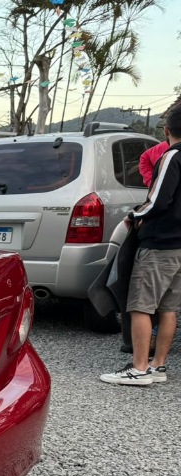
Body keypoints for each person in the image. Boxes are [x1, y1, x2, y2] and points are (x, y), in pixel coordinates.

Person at [101, 107, 181, 386]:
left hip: (160, 243)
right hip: (179, 246)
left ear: (166, 131)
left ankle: (138, 368)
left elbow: (159, 198)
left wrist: (135, 215)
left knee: (141, 306)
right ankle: (158, 366)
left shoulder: (172, 156)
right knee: (169, 307)